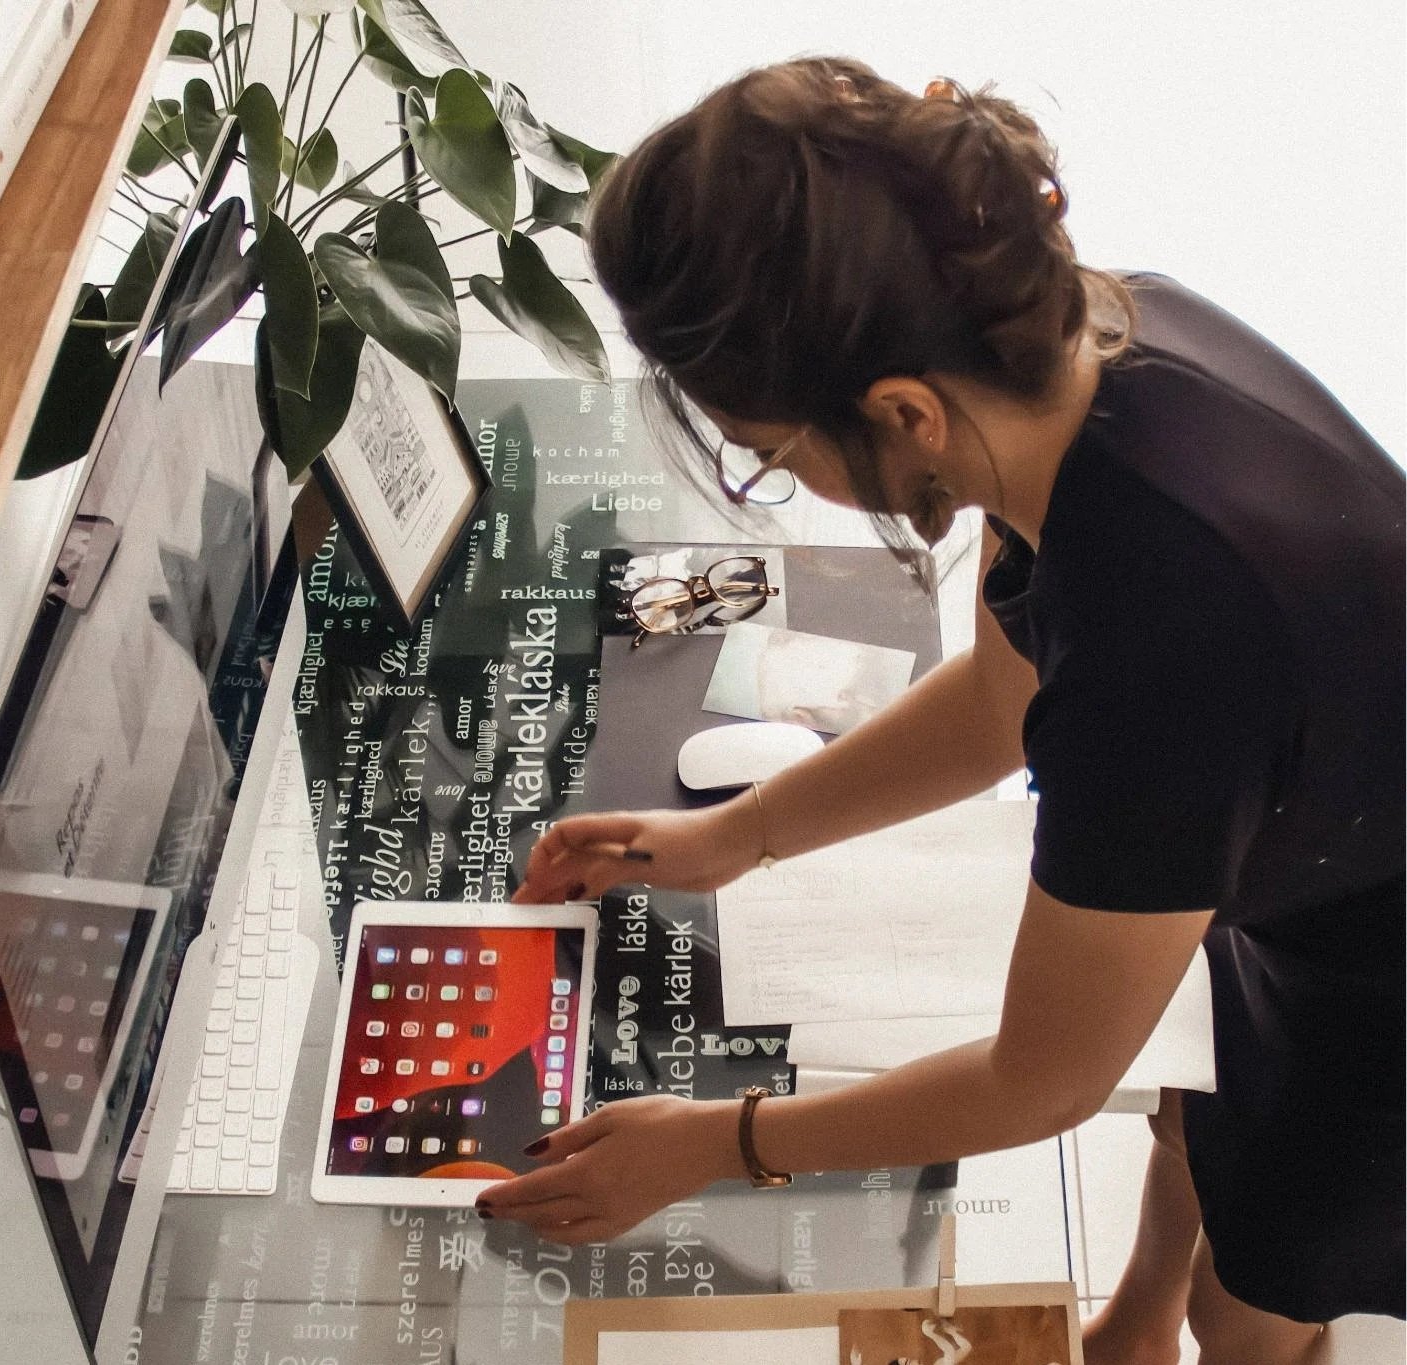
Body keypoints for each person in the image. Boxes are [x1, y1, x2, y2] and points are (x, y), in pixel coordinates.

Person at [479, 57, 1404, 1365]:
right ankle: (1136, 1328)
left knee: (1250, 1298)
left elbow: (1044, 1080)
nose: (774, 472)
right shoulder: (1086, 341)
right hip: (1316, 828)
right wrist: (733, 835)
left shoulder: (1162, 648)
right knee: (1193, 1109)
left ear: (904, 413)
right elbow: (993, 702)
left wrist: (716, 1143)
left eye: (769, 451)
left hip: (1379, 985)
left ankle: (1195, 1326)